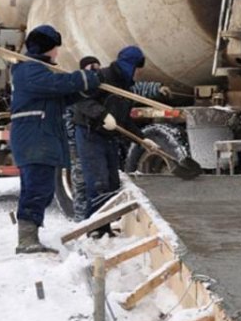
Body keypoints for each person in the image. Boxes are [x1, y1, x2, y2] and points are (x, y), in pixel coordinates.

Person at [10, 24, 100, 254]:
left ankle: (29, 237)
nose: (57, 53)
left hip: (38, 139)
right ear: (47, 48)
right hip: (34, 140)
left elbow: (61, 95)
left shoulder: (37, 72)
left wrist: (86, 87)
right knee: (37, 188)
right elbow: (58, 84)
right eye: (55, 48)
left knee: (39, 188)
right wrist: (83, 78)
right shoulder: (30, 70)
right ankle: (27, 240)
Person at [65, 55, 171, 221]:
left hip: (104, 138)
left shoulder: (111, 84)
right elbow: (75, 116)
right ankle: (86, 223)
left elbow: (134, 93)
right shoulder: (82, 86)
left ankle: (105, 223)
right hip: (83, 140)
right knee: (87, 184)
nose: (94, 69)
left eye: (96, 65)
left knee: (109, 182)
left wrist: (141, 139)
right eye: (90, 67)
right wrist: (100, 117)